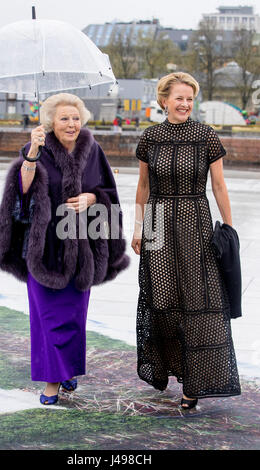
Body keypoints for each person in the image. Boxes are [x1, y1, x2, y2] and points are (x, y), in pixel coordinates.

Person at [0, 93, 129, 405]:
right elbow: (21, 192)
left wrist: (92, 199)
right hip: (42, 247)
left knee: (75, 316)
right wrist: (33, 152)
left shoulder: (93, 150)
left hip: (82, 247)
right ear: (51, 122)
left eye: (76, 118)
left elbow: (108, 190)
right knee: (46, 317)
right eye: (64, 118)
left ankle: (68, 370)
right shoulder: (35, 149)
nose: (71, 124)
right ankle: (52, 382)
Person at [131, 72, 241, 410]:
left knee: (199, 302)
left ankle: (195, 385)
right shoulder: (150, 137)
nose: (185, 104)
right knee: (162, 300)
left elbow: (219, 186)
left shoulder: (206, 135)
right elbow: (144, 187)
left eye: (190, 99)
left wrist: (229, 229)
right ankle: (171, 368)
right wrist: (139, 228)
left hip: (196, 223)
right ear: (164, 100)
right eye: (179, 98)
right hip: (159, 223)